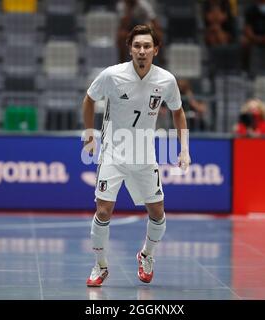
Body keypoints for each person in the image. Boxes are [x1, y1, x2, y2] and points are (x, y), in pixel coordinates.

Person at [82, 25, 191, 287]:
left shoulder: (166, 80)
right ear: (130, 49)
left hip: (144, 156)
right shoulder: (112, 75)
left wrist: (184, 148)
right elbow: (89, 99)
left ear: (155, 50)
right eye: (137, 46)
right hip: (113, 154)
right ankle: (100, 265)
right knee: (104, 211)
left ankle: (146, 255)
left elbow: (178, 112)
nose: (141, 51)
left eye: (146, 46)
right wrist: (89, 135)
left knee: (157, 212)